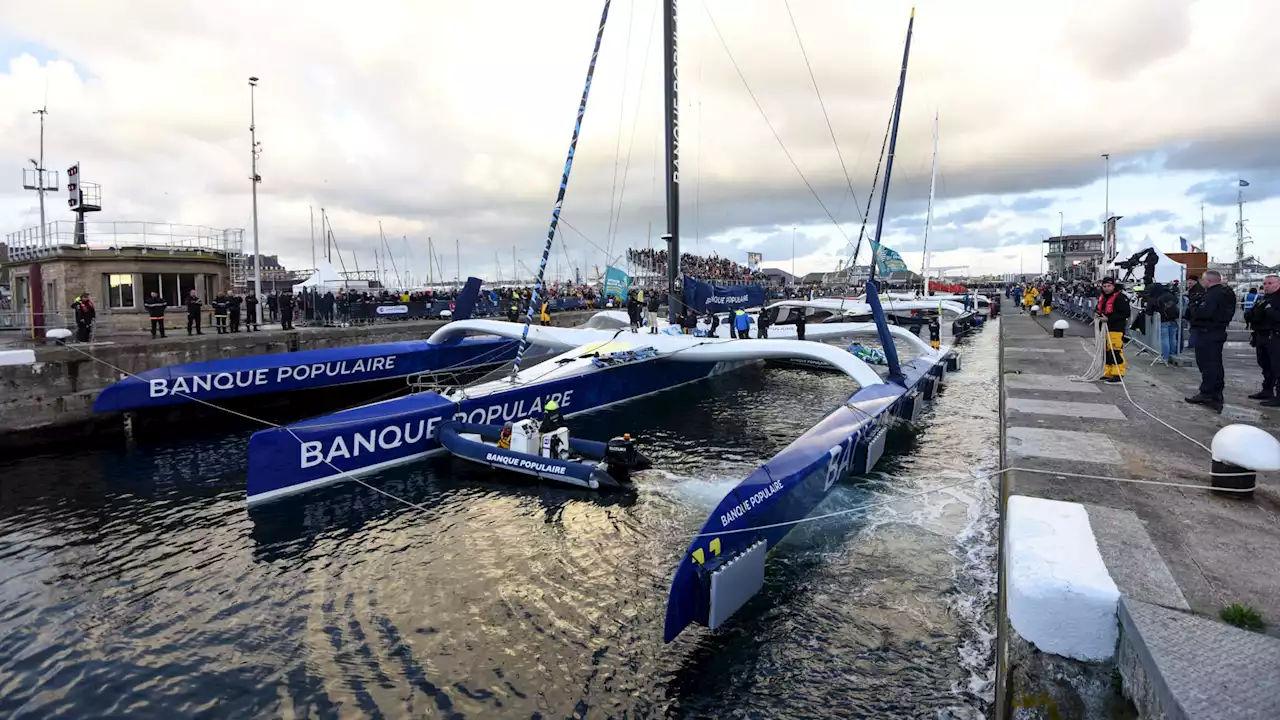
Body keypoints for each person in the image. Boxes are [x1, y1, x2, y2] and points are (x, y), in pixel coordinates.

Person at [1184, 270, 1237, 412]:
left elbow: (1203, 313)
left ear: (1208, 281)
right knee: (1215, 365)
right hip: (1216, 332)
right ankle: (1215, 394)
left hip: (1208, 333)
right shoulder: (1226, 293)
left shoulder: (1213, 294)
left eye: (1203, 280)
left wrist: (1193, 305)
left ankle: (1207, 393)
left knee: (1208, 365)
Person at [1244, 274, 1280, 407]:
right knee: (1265, 364)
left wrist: (1269, 310)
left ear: (1278, 284)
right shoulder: (1263, 298)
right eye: (1265, 284)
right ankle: (1267, 390)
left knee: (1277, 367)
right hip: (1261, 335)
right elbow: (1250, 315)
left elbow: (1276, 317)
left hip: (1275, 336)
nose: (1266, 286)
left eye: (1270, 283)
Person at [1095, 277, 1130, 384]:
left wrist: (1109, 319)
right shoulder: (1103, 298)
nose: (1106, 288)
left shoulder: (1120, 298)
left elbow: (1125, 314)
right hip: (1105, 328)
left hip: (1116, 328)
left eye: (1109, 286)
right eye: (1104, 286)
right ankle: (1108, 372)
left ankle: (1118, 374)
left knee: (1115, 351)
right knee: (1107, 352)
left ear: (1114, 286)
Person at [1142, 283, 1180, 364]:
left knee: (1164, 338)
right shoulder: (1171, 295)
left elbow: (1149, 311)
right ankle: (1173, 355)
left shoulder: (1154, 298)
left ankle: (1165, 357)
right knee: (1173, 338)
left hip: (1163, 320)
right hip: (1174, 319)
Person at [1184, 275, 1204, 349]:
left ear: (1195, 281)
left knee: (1194, 329)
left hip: (1194, 313)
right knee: (1193, 329)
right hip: (1192, 312)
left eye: (1190, 280)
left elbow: (1194, 299)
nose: (1189, 282)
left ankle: (1192, 344)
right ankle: (1192, 344)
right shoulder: (1193, 288)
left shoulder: (1198, 289)